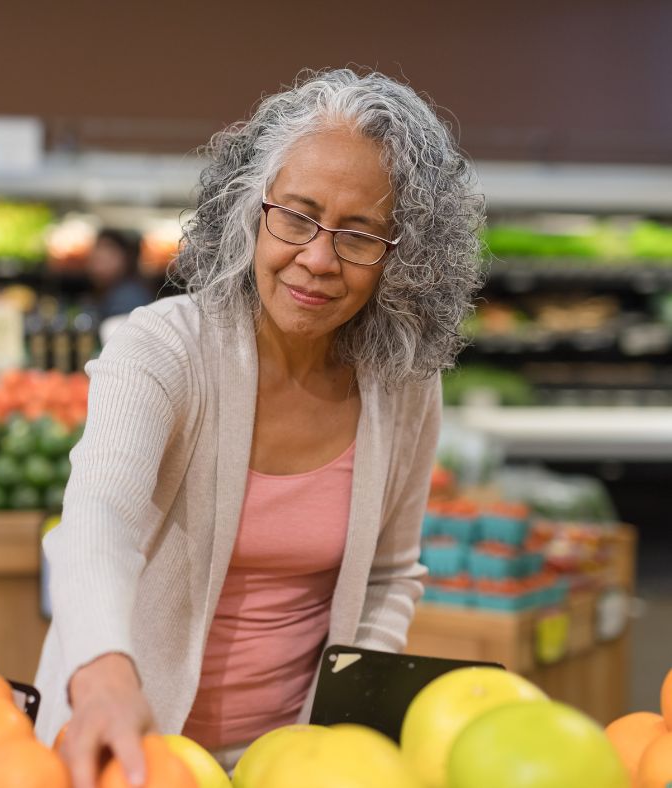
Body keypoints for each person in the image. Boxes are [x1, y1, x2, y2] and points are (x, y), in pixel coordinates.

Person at [34, 69, 484, 786]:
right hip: (134, 748)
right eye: (297, 216)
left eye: (359, 235)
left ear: (406, 258)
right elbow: (97, 523)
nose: (317, 259)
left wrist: (339, 732)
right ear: (251, 207)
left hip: (295, 761)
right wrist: (103, 679)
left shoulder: (404, 383)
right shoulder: (163, 349)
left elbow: (392, 574)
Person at [85, 228, 154, 322]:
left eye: (105, 260)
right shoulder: (112, 291)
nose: (96, 267)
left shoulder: (129, 297)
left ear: (126, 258)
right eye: (95, 259)